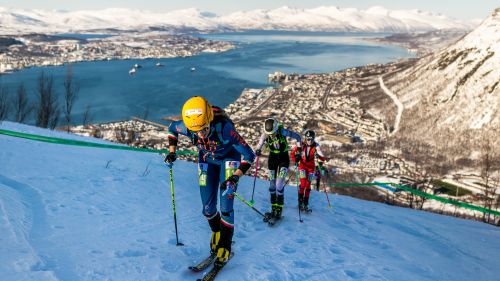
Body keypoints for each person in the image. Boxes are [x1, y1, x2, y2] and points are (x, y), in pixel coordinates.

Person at [165, 96, 256, 267]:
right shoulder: (189, 127)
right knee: (207, 209)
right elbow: (171, 129)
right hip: (207, 160)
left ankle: (225, 244)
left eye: (204, 129)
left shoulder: (225, 129)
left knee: (226, 206)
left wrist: (235, 176)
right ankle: (216, 232)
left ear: (210, 121)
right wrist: (172, 151)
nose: (200, 134)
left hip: (228, 160)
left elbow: (250, 155)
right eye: (196, 131)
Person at [254, 118, 301, 220]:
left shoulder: (282, 131)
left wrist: (299, 151)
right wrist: (257, 150)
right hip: (272, 159)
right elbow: (259, 144)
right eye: (269, 133)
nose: (271, 135)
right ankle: (273, 208)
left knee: (279, 184)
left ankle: (279, 209)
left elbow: (298, 137)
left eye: (273, 133)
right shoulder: (265, 135)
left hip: (283, 159)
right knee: (272, 185)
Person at [291, 130, 326, 212]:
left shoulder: (316, 146)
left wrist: (319, 156)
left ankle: (306, 202)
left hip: (311, 168)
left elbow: (323, 158)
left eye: (311, 139)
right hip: (302, 166)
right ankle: (300, 202)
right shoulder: (301, 144)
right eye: (307, 139)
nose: (309, 141)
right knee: (303, 184)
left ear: (314, 139)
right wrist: (296, 160)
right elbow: (292, 154)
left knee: (308, 185)